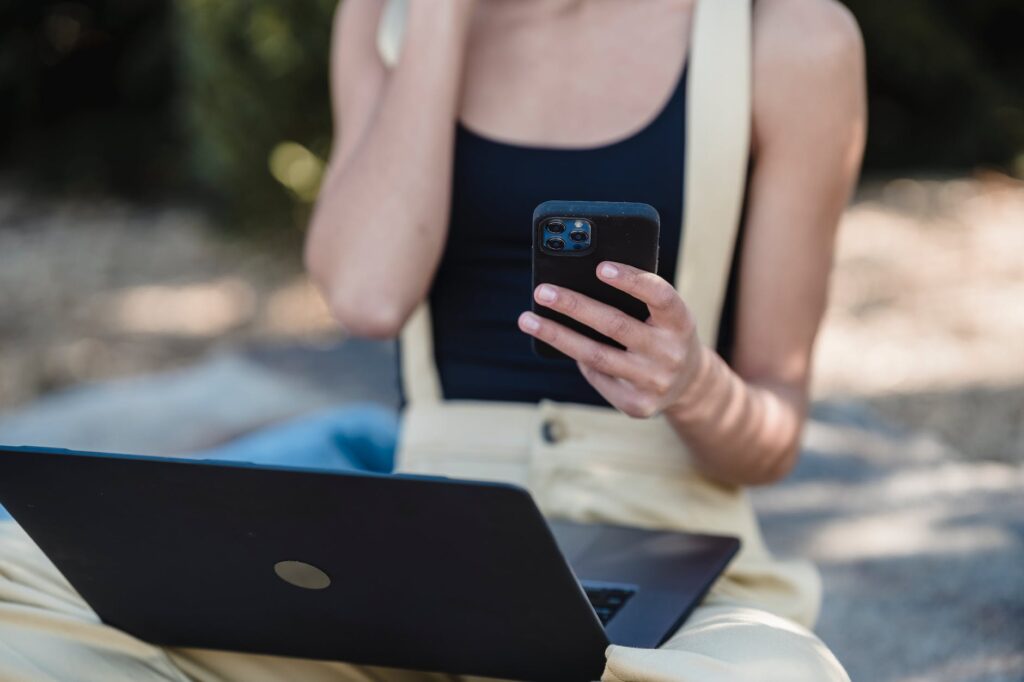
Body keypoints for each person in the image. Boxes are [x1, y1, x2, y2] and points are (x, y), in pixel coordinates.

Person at [0, 0, 865, 679]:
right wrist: (439, 14)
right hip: (421, 557)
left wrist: (693, 386)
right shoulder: (385, 19)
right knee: (15, 574)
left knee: (782, 671)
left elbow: (774, 430)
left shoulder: (791, 40)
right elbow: (369, 296)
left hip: (667, 547)